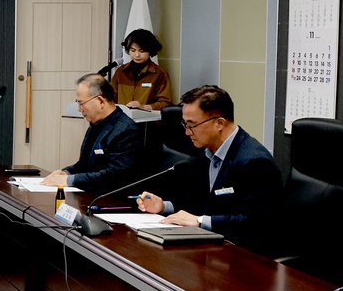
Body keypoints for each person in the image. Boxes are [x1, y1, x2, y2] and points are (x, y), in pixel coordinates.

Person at [136, 85, 281, 253]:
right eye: (185, 124)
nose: (187, 132)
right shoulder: (204, 153)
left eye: (192, 125)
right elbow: (198, 201)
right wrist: (163, 206)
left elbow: (257, 222)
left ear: (219, 123)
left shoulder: (255, 162)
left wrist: (200, 221)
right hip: (207, 247)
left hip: (242, 254)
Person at [42, 73, 142, 191]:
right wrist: (66, 172)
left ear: (100, 101)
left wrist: (70, 180)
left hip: (111, 197)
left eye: (81, 103)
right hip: (89, 193)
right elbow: (84, 165)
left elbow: (115, 175)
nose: (79, 109)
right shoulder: (96, 124)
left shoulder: (127, 130)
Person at [110, 28, 173, 111]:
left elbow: (165, 103)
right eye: (133, 50)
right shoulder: (121, 72)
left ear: (150, 51)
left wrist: (144, 107)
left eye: (142, 51)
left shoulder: (159, 74)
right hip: (122, 117)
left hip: (147, 118)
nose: (137, 55)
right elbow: (110, 97)